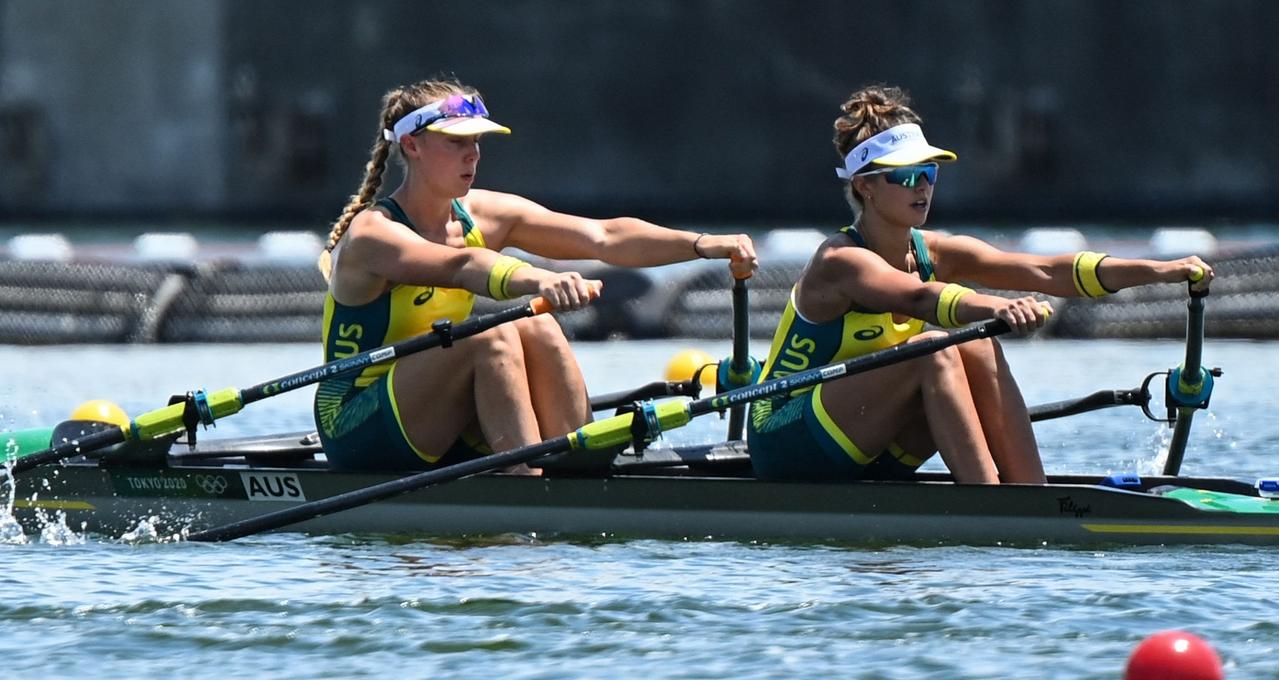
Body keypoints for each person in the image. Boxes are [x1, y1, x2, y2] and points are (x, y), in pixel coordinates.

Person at [747, 85, 1212, 485]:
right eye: (905, 176)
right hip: (787, 438)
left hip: (861, 437)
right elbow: (918, 297)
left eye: (929, 172)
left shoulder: (936, 251)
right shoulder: (840, 260)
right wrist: (998, 308)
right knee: (934, 347)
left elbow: (1044, 271)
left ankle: (1031, 495)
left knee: (977, 348)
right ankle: (992, 505)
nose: (922, 187)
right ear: (865, 186)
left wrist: (1157, 271)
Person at [315, 77, 756, 473]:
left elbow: (603, 236)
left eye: (478, 141)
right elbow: (462, 265)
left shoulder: (484, 214)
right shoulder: (374, 233)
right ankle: (528, 480)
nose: (472, 153)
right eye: (456, 142)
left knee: (538, 324)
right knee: (492, 336)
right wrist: (539, 279)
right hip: (355, 423)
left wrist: (700, 245)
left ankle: (580, 467)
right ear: (411, 145)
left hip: (434, 412)